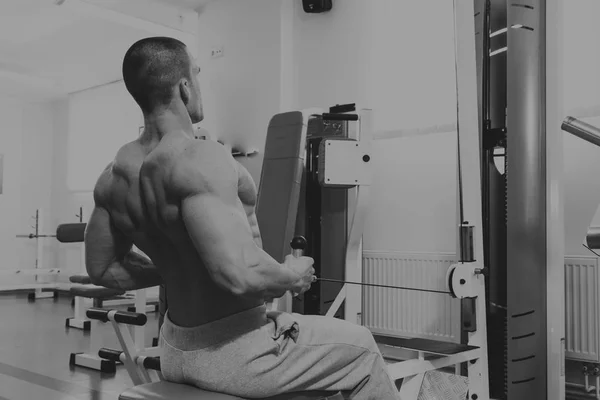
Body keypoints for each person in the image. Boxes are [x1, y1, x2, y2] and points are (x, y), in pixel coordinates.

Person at [84, 36, 399, 399]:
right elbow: (237, 274)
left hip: (173, 349)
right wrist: (290, 276)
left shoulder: (113, 177)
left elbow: (102, 268)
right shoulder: (200, 157)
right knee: (360, 347)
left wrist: (176, 268)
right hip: (238, 354)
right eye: (197, 74)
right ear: (184, 87)